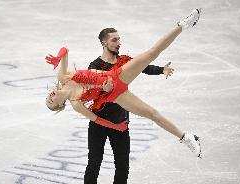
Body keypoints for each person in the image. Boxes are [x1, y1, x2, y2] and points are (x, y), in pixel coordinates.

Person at [45, 8, 202, 183]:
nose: (50, 95)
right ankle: (186, 137)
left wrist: (58, 58)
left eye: (48, 96)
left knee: (151, 53)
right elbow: (96, 118)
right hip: (113, 94)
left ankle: (182, 25)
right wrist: (116, 123)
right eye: (51, 101)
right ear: (59, 105)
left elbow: (65, 49)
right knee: (153, 114)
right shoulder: (75, 104)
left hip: (115, 76)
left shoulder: (62, 78)